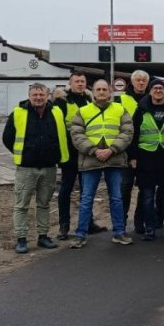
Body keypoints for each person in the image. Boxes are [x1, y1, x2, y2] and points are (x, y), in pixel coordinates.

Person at [3, 83, 69, 254]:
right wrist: (25, 153)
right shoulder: (18, 112)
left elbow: (61, 136)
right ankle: (21, 239)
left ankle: (43, 236)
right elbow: (7, 138)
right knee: (21, 205)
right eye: (35, 95)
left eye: (41, 95)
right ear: (29, 96)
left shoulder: (56, 112)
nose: (38, 98)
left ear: (47, 96)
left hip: (48, 167)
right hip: (26, 167)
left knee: (44, 204)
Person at [69, 79, 134, 248]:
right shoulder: (83, 111)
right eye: (98, 89)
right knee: (86, 199)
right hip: (91, 159)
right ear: (93, 92)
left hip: (114, 159)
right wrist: (94, 150)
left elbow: (127, 132)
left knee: (116, 199)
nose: (101, 92)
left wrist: (112, 149)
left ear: (110, 92)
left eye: (105, 89)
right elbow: (77, 134)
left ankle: (119, 232)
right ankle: (80, 234)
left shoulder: (120, 109)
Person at [52, 70, 107, 239]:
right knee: (66, 190)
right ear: (70, 83)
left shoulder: (90, 100)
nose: (80, 84)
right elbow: (57, 128)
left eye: (82, 81)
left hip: (88, 153)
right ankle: (64, 227)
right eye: (77, 81)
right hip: (69, 154)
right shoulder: (62, 102)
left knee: (87, 191)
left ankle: (88, 223)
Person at [131, 79, 164, 241]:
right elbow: (134, 134)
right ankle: (149, 229)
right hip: (146, 158)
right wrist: (133, 157)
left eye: (161, 88)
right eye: (155, 88)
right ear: (150, 91)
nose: (158, 90)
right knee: (147, 196)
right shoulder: (141, 110)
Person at [115, 69, 150, 235]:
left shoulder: (151, 99)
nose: (141, 83)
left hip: (145, 151)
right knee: (125, 188)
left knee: (144, 189)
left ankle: (139, 221)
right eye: (138, 80)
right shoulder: (120, 99)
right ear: (132, 82)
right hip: (125, 152)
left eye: (144, 80)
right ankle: (121, 223)